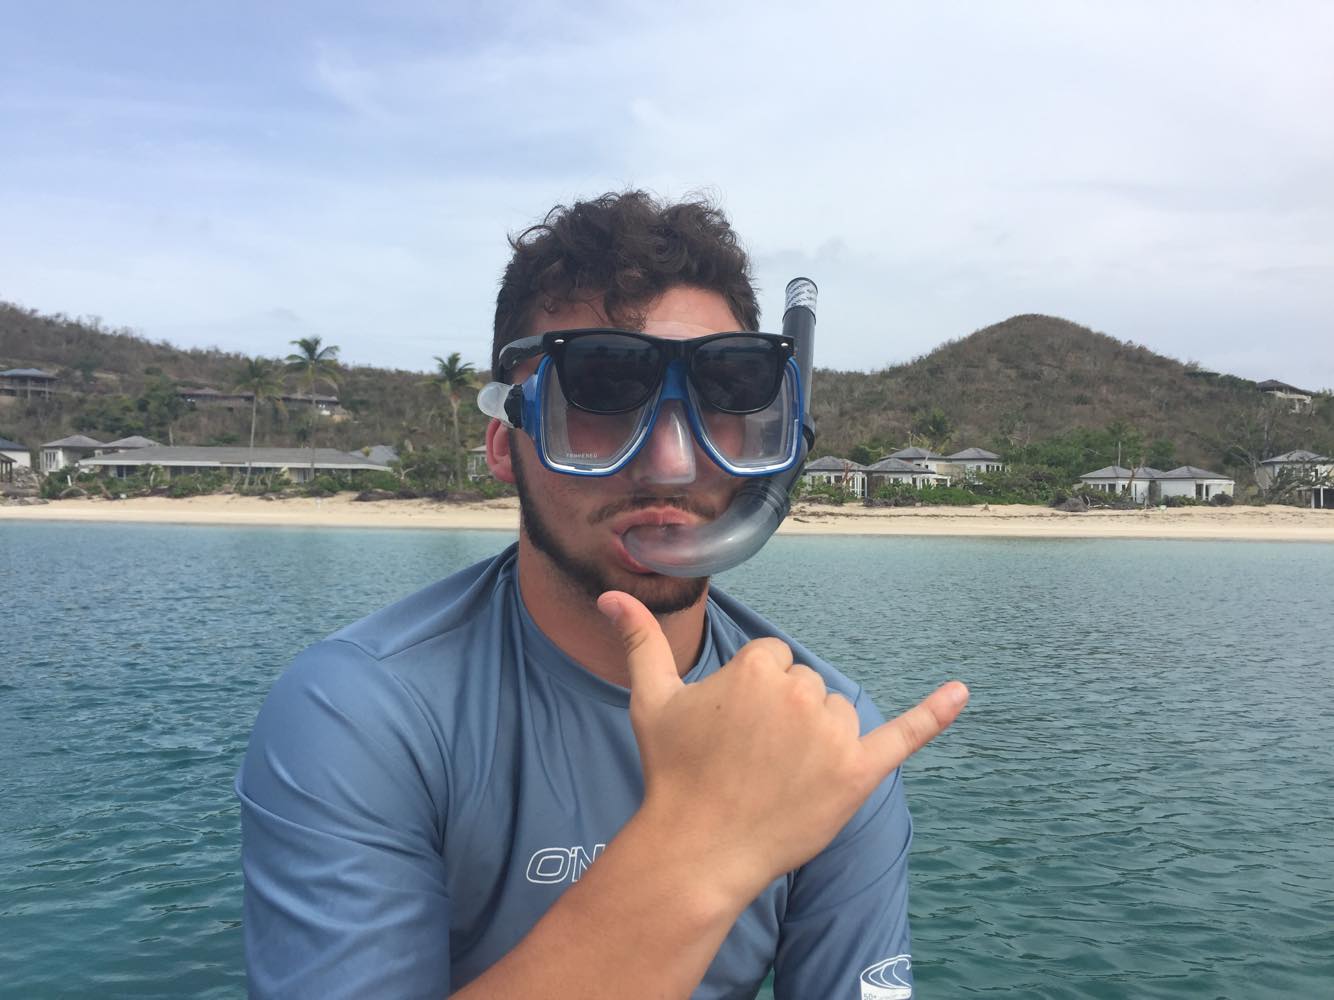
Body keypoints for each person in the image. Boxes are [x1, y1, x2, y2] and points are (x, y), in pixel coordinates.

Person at [236, 191, 968, 999]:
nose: (672, 464)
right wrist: (704, 847)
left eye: (728, 393)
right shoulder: (363, 714)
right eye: (600, 391)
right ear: (505, 445)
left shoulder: (826, 736)